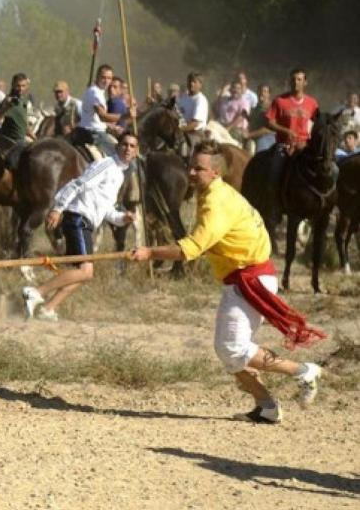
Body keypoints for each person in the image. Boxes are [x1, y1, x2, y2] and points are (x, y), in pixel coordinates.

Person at [130, 140, 324, 423]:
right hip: (244, 278)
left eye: (199, 168)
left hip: (250, 280)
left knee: (231, 348)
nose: (192, 172)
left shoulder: (216, 203)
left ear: (216, 172)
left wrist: (149, 252)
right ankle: (267, 406)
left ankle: (303, 371)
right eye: (191, 166)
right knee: (230, 353)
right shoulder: (213, 192)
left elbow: (190, 250)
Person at [22, 133, 138, 321]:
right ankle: (36, 292)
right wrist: (58, 208)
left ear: (136, 152)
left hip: (86, 223)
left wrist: (122, 218)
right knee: (85, 270)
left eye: (132, 146)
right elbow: (78, 184)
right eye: (124, 144)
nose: (128, 149)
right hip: (78, 219)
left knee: (84, 274)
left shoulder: (119, 175)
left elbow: (107, 210)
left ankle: (48, 309)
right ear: (117, 147)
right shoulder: (107, 165)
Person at [265, 68, 318, 151]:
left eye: (299, 79)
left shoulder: (312, 103)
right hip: (283, 145)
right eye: (293, 79)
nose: (296, 82)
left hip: (304, 147)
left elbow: (317, 124)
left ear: (305, 82)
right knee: (274, 163)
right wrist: (286, 131)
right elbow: (270, 123)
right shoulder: (279, 100)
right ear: (290, 82)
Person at [80, 64, 125, 156]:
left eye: (109, 78)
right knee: (121, 156)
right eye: (103, 77)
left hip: (95, 130)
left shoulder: (98, 92)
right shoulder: (95, 93)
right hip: (95, 134)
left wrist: (110, 126)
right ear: (97, 77)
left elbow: (96, 119)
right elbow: (103, 116)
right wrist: (125, 116)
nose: (106, 81)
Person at [0, 73, 34, 167]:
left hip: (22, 141)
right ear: (13, 85)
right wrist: (5, 108)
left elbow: (26, 127)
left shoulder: (26, 102)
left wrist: (36, 139)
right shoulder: (7, 100)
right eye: (18, 86)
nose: (21, 89)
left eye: (23, 86)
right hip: (7, 142)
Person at [246, 84, 276, 153]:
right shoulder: (256, 108)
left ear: (269, 94)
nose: (262, 93)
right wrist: (246, 117)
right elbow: (255, 122)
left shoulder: (271, 108)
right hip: (255, 136)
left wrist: (249, 135)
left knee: (259, 151)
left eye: (265, 91)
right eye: (260, 91)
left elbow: (267, 129)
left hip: (268, 137)